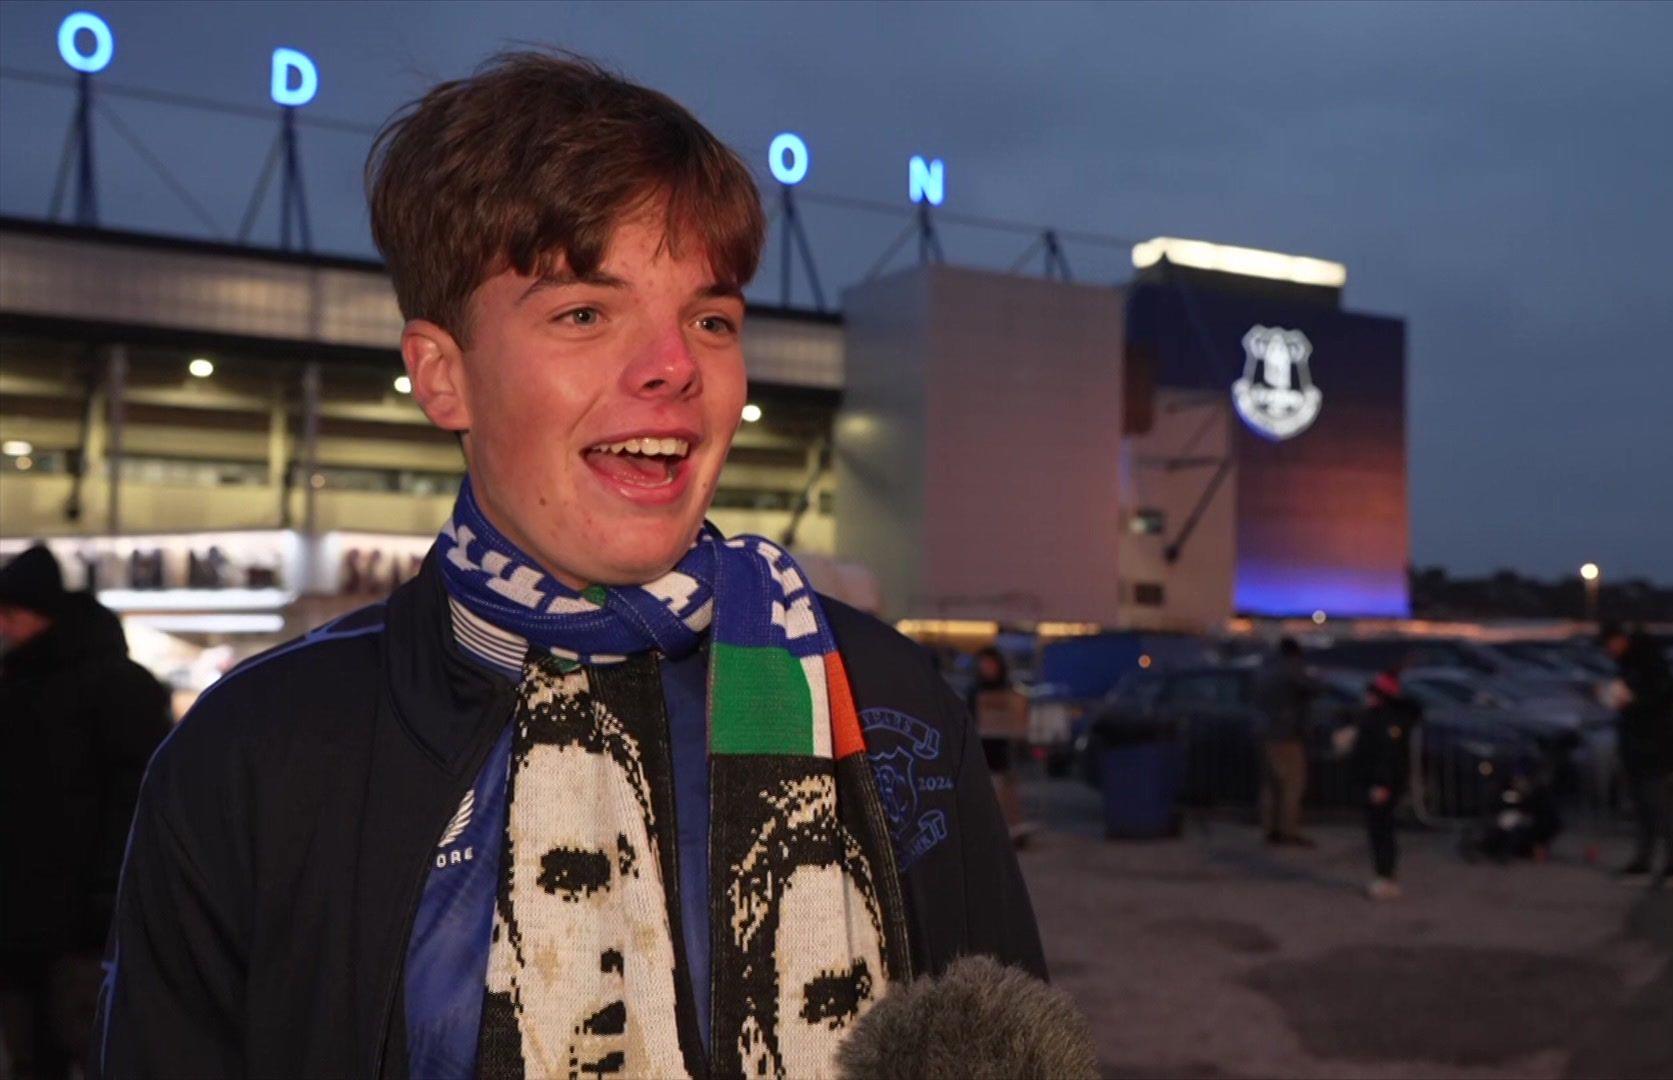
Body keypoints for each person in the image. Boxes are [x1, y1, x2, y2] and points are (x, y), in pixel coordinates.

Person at [94, 53, 1044, 1079]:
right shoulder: (259, 750)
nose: (674, 365)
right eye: (584, 313)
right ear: (442, 374)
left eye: (710, 318)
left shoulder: (883, 699)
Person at [0, 545, 170, 1078]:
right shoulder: (28, 682)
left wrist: (110, 896)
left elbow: (137, 799)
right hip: (43, 915)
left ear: (35, 614)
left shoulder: (104, 688)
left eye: (8, 614)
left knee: (87, 1047)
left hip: (83, 921)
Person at [1602, 624, 1673, 889]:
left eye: (1610, 644)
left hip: (1654, 750)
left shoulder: (1648, 667)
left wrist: (1632, 702)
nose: (1609, 651)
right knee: (1644, 809)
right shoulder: (1632, 665)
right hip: (1639, 748)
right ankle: (1644, 861)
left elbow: (1657, 703)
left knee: (1659, 809)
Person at [1353, 669, 1422, 900]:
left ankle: (1385, 877)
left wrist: (1381, 784)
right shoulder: (1390, 717)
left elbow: (1385, 755)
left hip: (1381, 784)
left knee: (1381, 830)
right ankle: (1385, 876)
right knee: (1382, 829)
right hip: (1384, 782)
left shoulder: (1382, 719)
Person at [1251, 637, 1318, 846]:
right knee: (1292, 784)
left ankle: (1270, 829)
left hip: (1265, 732)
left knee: (1270, 785)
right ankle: (1288, 830)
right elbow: (1310, 687)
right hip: (1286, 734)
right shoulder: (1290, 668)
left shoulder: (1264, 668)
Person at [966, 647, 1031, 846]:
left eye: (991, 664)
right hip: (982, 749)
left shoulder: (1006, 689)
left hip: (1003, 750)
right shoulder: (975, 690)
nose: (987, 668)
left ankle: (1011, 831)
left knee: (1006, 791)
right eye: (984, 664)